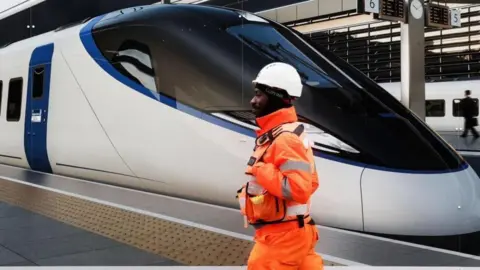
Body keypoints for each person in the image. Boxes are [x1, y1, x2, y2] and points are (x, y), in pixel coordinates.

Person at [236, 62, 323, 269]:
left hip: (281, 239)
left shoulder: (285, 139)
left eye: (258, 94)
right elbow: (312, 182)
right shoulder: (287, 133)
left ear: (275, 96)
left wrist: (260, 168)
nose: (253, 100)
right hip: (293, 233)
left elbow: (298, 189)